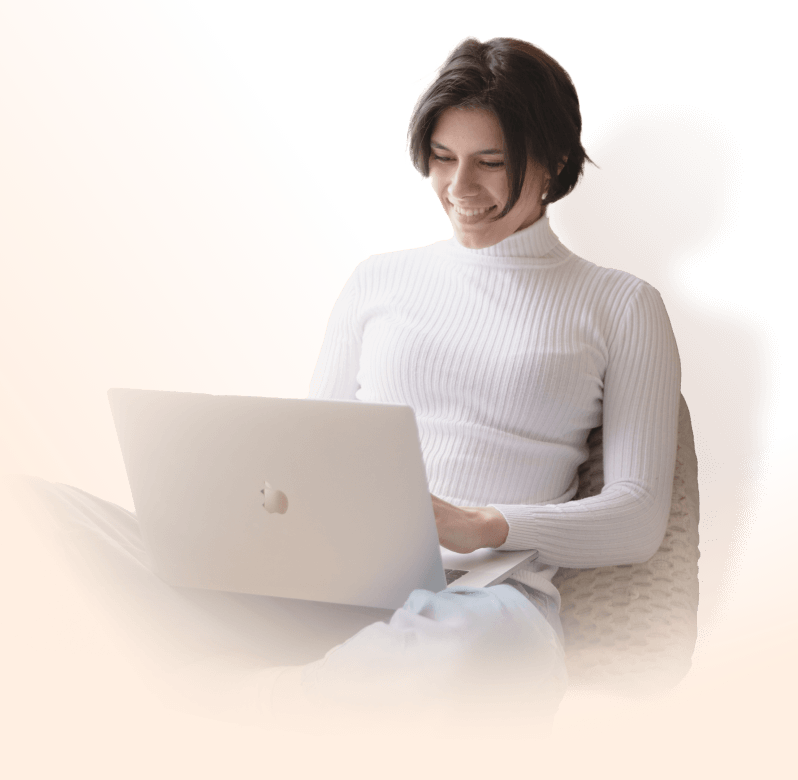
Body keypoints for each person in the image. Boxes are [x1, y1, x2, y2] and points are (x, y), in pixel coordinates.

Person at [9, 35, 680, 739]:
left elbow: (636, 519)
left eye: (492, 164)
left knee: (485, 650)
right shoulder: (380, 281)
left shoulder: (620, 304)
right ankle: (306, 685)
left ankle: (251, 708)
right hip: (341, 582)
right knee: (33, 510)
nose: (460, 188)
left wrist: (486, 524)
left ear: (555, 163)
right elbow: (312, 453)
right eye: (443, 161)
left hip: (488, 599)